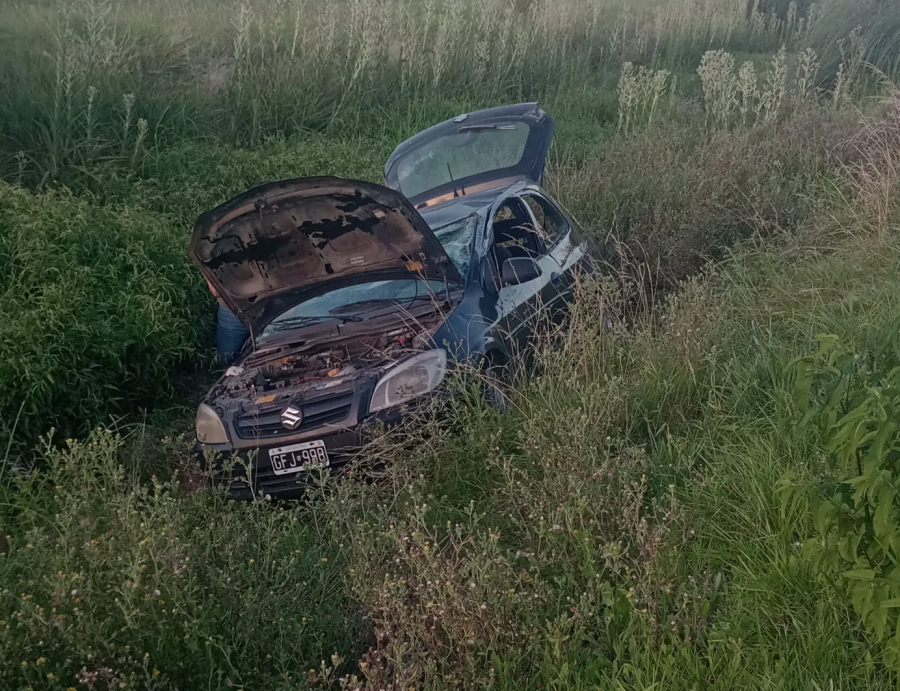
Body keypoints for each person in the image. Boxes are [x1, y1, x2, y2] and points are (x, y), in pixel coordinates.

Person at [206, 279, 249, 366]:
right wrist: (210, 279)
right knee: (226, 358)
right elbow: (203, 265)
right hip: (232, 306)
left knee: (277, 350)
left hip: (274, 300)